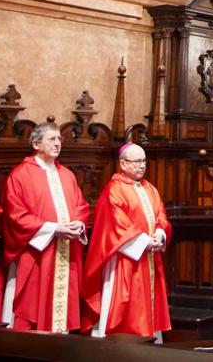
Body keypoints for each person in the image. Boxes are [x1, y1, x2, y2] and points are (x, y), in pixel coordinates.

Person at [0, 122, 90, 332]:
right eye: (52, 139)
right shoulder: (20, 175)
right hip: (37, 252)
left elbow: (81, 205)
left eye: (59, 139)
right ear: (36, 144)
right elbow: (15, 215)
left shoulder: (67, 174)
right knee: (33, 304)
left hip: (64, 252)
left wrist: (78, 223)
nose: (58, 143)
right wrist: (52, 228)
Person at [82, 144, 171, 341]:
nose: (142, 166)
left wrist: (159, 234)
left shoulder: (150, 188)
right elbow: (116, 224)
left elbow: (161, 216)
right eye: (137, 161)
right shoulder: (114, 189)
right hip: (125, 260)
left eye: (144, 161)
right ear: (123, 163)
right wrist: (144, 242)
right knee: (126, 306)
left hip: (149, 259)